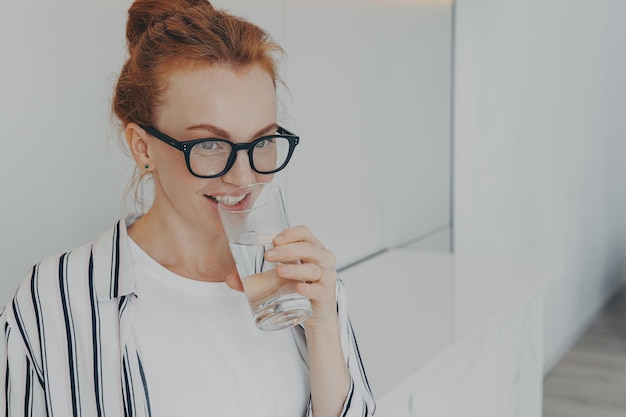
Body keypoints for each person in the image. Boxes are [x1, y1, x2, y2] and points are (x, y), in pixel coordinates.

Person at [0, 0, 375, 416]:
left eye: (262, 141)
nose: (243, 175)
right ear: (143, 147)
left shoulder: (302, 284)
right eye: (210, 144)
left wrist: (324, 326)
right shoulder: (56, 299)